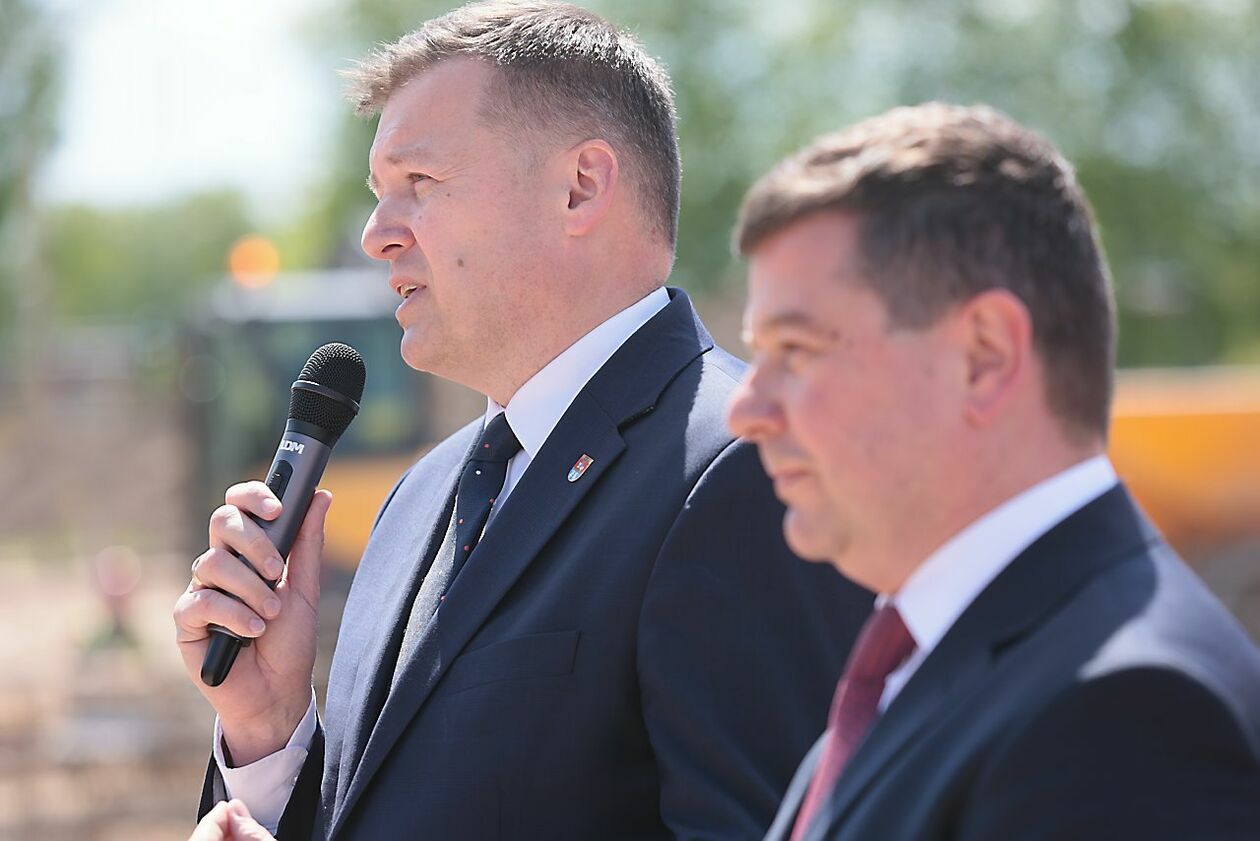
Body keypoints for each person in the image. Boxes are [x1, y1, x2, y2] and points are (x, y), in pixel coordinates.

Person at [173, 2, 871, 839]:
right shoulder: (417, 499)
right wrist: (268, 733)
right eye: (379, 194)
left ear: (580, 187)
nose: (376, 235)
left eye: (419, 182)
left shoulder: (745, 468)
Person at [726, 103, 1260, 840]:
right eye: (758, 354)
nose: (745, 408)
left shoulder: (1120, 715)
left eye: (796, 349)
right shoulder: (937, 662)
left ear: (985, 356)